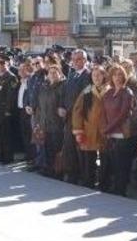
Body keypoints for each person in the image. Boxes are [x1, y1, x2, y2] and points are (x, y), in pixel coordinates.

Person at [72, 65, 109, 188]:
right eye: (94, 75)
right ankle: (88, 182)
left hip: (106, 130)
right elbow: (77, 111)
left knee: (105, 158)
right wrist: (78, 130)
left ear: (104, 76)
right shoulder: (87, 91)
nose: (96, 77)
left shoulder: (110, 90)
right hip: (89, 130)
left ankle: (104, 183)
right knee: (88, 158)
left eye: (99, 74)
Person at [100, 64, 134, 195]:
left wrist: (107, 129)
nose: (117, 77)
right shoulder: (108, 92)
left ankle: (121, 190)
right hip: (109, 133)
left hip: (121, 133)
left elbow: (123, 114)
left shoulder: (127, 92)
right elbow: (103, 112)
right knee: (112, 163)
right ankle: (113, 188)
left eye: (120, 74)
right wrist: (104, 128)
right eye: (114, 74)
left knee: (121, 165)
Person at [61, 50, 92, 183]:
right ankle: (72, 173)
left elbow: (87, 99)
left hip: (81, 118)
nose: (75, 62)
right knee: (70, 147)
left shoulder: (88, 76)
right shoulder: (72, 75)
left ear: (84, 60)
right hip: (69, 118)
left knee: (82, 149)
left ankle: (84, 176)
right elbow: (65, 94)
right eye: (73, 59)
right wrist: (61, 107)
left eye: (78, 59)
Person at [34, 63, 66, 177]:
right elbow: (39, 106)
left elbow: (63, 105)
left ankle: (57, 171)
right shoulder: (44, 87)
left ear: (60, 74)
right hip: (44, 123)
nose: (52, 75)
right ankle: (47, 168)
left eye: (55, 72)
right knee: (45, 147)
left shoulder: (62, 87)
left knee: (56, 149)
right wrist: (38, 122)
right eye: (50, 73)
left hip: (56, 124)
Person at [0, 58, 20, 164]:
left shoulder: (11, 77)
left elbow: (11, 96)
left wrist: (8, 110)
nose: (0, 66)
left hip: (5, 111)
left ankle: (8, 157)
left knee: (6, 135)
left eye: (3, 64)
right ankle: (2, 154)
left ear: (7, 65)